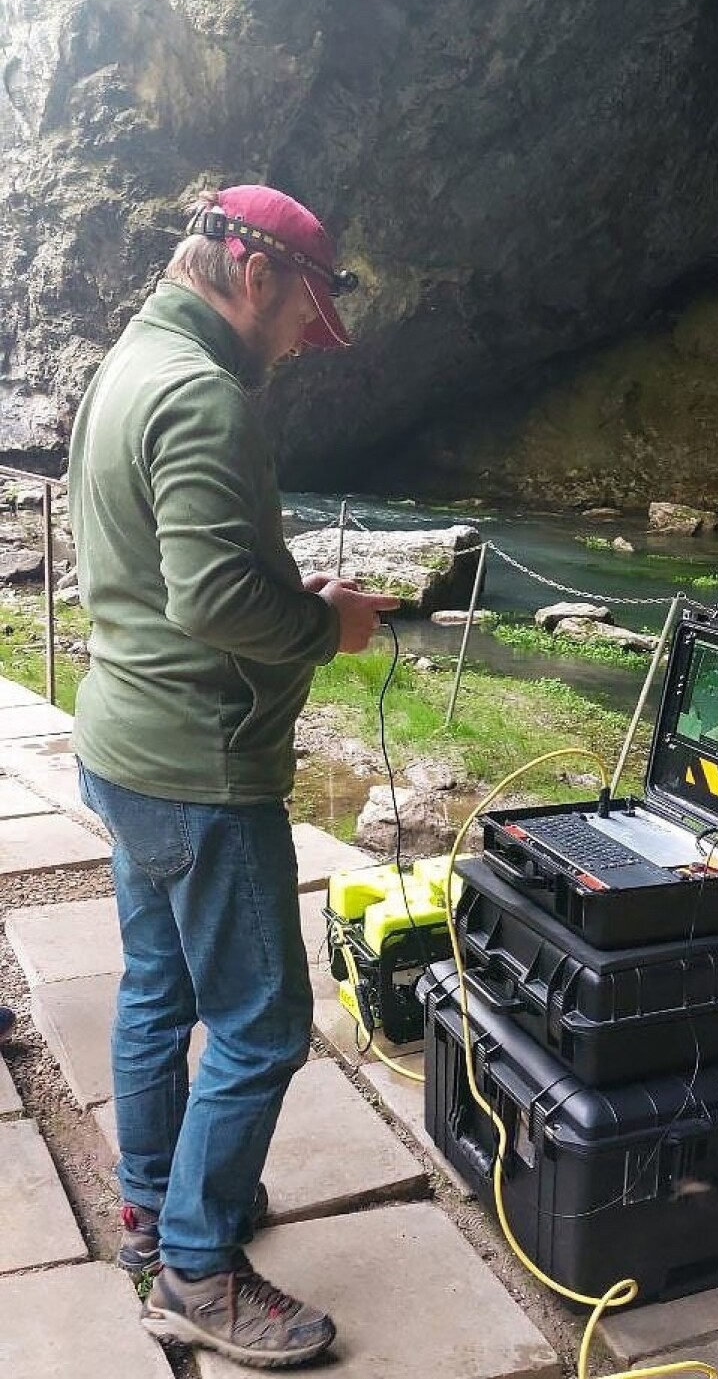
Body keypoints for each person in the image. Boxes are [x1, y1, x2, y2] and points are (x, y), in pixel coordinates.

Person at [67, 184, 399, 1369]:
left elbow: (167, 575)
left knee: (159, 989)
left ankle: (152, 1212)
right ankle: (196, 1272)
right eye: (310, 311)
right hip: (201, 767)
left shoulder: (129, 363)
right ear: (254, 272)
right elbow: (210, 599)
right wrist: (331, 629)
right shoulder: (207, 396)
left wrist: (282, 597)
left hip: (124, 741)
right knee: (261, 1024)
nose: (311, 339)